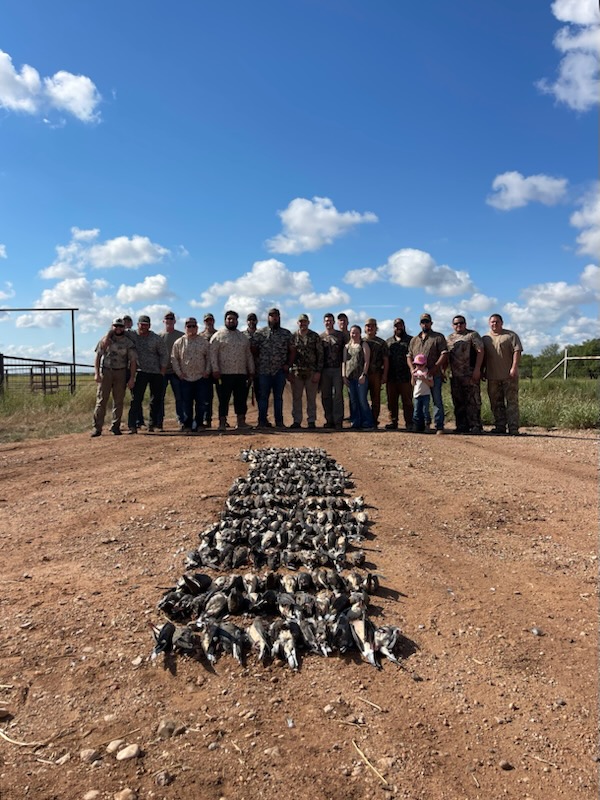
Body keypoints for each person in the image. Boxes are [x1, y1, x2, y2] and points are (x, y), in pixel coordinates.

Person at [91, 318, 137, 437]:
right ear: (112, 327)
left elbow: (133, 361)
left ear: (124, 328)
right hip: (106, 372)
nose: (118, 329)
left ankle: (115, 426)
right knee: (101, 400)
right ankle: (97, 427)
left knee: (118, 401)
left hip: (121, 372)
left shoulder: (128, 342)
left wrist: (132, 378)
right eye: (116, 326)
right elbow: (98, 357)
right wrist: (96, 373)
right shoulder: (105, 340)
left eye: (120, 326)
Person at [210, 310, 255, 430]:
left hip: (241, 374)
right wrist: (215, 369)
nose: (231, 321)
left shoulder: (242, 337)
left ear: (237, 321)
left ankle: (241, 422)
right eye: (229, 319)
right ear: (225, 320)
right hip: (224, 374)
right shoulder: (218, 336)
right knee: (224, 400)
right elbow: (212, 354)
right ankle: (222, 422)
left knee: (241, 399)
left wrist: (251, 371)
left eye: (233, 319)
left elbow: (248, 355)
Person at [482, 314, 523, 435]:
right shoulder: (485, 338)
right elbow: (483, 356)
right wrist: (483, 370)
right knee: (495, 403)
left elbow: (517, 351)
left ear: (502, 323)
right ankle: (500, 426)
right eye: (492, 322)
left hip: (509, 376)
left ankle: (513, 427)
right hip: (492, 376)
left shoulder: (510, 336)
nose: (494, 324)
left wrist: (514, 367)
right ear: (489, 323)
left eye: (497, 322)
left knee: (512, 402)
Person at [127, 315, 169, 433]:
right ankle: (132, 425)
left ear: (149, 326)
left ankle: (153, 424)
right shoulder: (132, 335)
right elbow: (116, 331)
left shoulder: (156, 338)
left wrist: (162, 371)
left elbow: (164, 354)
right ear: (138, 325)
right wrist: (107, 337)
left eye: (146, 325)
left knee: (155, 399)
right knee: (136, 399)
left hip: (156, 372)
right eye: (142, 324)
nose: (144, 327)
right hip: (141, 372)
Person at [254, 308, 295, 428]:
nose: (274, 318)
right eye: (272, 316)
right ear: (268, 318)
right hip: (263, 371)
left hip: (279, 371)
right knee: (263, 398)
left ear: (279, 317)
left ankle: (279, 422)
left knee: (278, 398)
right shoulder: (260, 333)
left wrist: (288, 364)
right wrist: (259, 362)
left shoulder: (286, 334)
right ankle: (262, 421)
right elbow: (253, 349)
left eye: (276, 316)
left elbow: (292, 351)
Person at [408, 313, 448, 434]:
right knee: (419, 401)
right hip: (418, 377)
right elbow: (409, 356)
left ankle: (438, 426)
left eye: (427, 321)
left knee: (436, 400)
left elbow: (444, 354)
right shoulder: (414, 340)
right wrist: (412, 369)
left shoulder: (438, 337)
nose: (425, 324)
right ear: (420, 324)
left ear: (431, 323)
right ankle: (419, 425)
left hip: (433, 374)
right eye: (423, 322)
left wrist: (435, 368)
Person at [171, 317, 211, 432]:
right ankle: (187, 424)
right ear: (185, 327)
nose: (191, 328)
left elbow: (209, 358)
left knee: (201, 403)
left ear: (197, 327)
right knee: (186, 403)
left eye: (193, 326)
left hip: (200, 377)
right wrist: (179, 373)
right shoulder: (179, 343)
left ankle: (199, 424)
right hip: (185, 378)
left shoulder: (203, 342)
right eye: (189, 326)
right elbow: (174, 359)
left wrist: (207, 371)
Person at [447, 315, 484, 434]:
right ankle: (461, 425)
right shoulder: (449, 338)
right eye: (456, 323)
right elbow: (446, 356)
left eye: (461, 323)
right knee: (458, 402)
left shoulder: (472, 335)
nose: (459, 325)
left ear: (465, 324)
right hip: (455, 375)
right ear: (453, 325)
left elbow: (480, 351)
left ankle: (475, 426)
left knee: (473, 401)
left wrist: (477, 369)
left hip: (470, 374)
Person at [290, 313, 324, 429]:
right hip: (297, 371)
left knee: (311, 398)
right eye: (300, 322)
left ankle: (311, 421)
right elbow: (289, 354)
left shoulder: (314, 336)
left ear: (308, 323)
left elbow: (320, 355)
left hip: (311, 371)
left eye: (305, 322)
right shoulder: (293, 336)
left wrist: (318, 372)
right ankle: (297, 420)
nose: (302, 324)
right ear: (297, 323)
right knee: (296, 398)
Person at [343, 325, 374, 430]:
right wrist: (344, 375)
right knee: (353, 401)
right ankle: (355, 421)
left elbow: (367, 361)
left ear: (360, 333)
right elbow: (344, 362)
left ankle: (367, 421)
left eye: (356, 332)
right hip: (349, 377)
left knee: (362, 400)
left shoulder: (363, 344)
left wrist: (364, 374)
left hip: (360, 377)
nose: (354, 334)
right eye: (352, 332)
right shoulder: (347, 346)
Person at [385, 318, 413, 430]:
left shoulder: (411, 340)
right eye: (396, 326)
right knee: (392, 402)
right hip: (391, 377)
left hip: (406, 377)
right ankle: (393, 422)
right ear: (393, 327)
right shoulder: (388, 342)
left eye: (400, 325)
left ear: (404, 326)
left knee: (407, 401)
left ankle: (409, 422)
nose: (398, 327)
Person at [158, 311, 184, 429]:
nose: (169, 320)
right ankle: (159, 421)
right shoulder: (158, 337)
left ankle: (181, 420)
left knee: (179, 397)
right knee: (160, 397)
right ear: (163, 321)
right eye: (166, 318)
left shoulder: (181, 336)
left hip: (176, 372)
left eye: (171, 318)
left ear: (174, 321)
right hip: (162, 372)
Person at [320, 313, 345, 429]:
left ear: (334, 322)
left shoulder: (341, 336)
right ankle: (329, 420)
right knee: (326, 396)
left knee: (338, 395)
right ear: (324, 322)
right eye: (326, 321)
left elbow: (346, 352)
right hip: (324, 370)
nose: (328, 323)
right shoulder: (320, 337)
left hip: (337, 369)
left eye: (330, 321)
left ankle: (338, 420)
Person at [363, 318, 389, 428]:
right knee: (362, 398)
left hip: (376, 374)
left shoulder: (381, 342)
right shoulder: (361, 341)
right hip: (363, 374)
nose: (370, 328)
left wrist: (384, 375)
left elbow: (386, 359)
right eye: (368, 326)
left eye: (372, 326)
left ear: (376, 327)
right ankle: (364, 420)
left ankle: (374, 421)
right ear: (365, 328)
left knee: (376, 399)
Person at [200, 313, 218, 427]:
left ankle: (222, 418)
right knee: (206, 396)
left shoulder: (219, 334)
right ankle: (207, 419)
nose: (209, 322)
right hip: (205, 370)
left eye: (210, 320)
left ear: (213, 321)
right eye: (207, 320)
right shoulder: (200, 336)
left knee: (222, 395)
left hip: (218, 369)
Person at [411, 354, 433, 432]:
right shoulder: (416, 372)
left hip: (425, 394)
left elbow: (431, 384)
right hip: (417, 394)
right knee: (416, 411)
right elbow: (413, 384)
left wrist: (424, 379)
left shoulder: (427, 372)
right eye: (417, 365)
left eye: (420, 365)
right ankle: (416, 426)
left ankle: (427, 425)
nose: (419, 366)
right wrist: (412, 376)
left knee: (425, 411)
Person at [243, 312, 260, 408]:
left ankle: (262, 419)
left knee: (260, 395)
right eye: (250, 320)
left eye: (253, 320)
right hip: (245, 369)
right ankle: (241, 419)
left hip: (259, 368)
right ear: (246, 322)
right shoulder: (241, 335)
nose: (252, 322)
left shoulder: (262, 334)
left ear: (257, 321)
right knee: (242, 395)